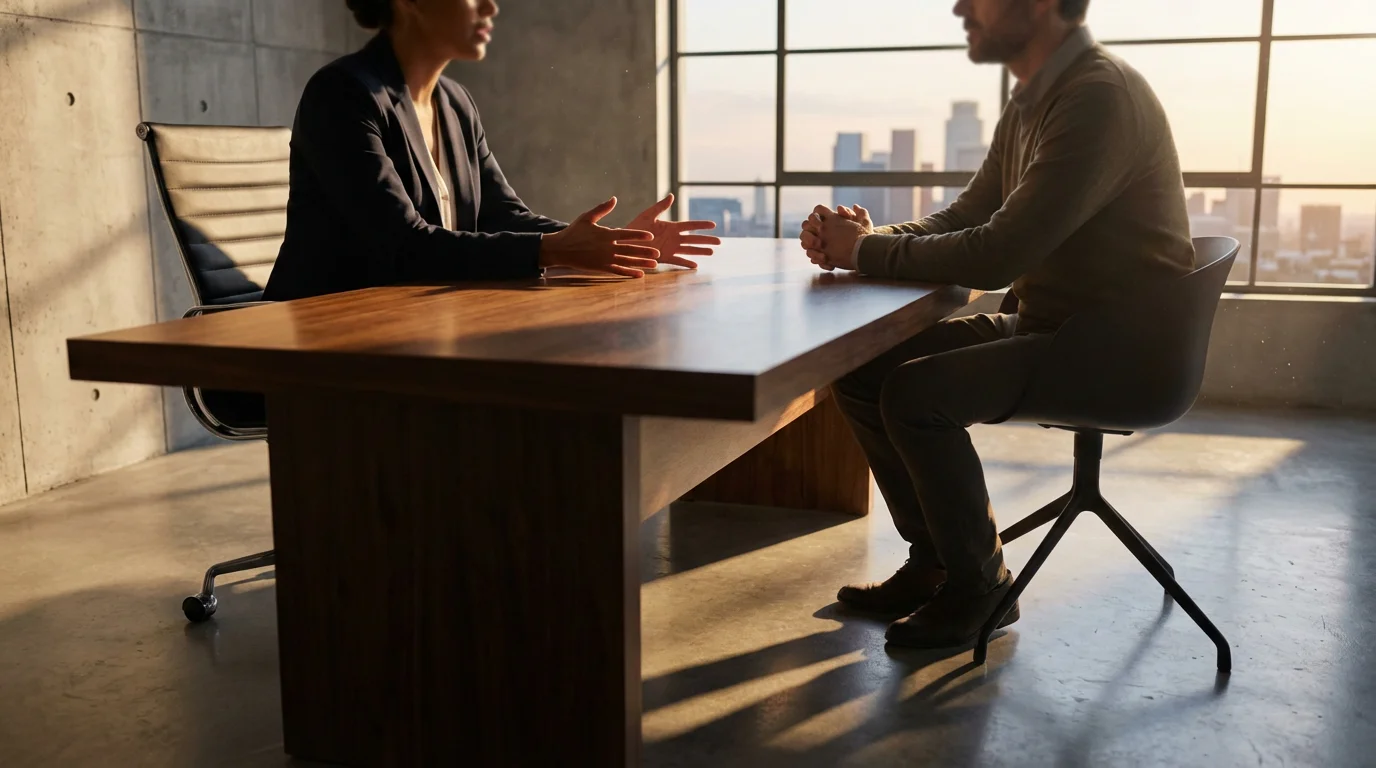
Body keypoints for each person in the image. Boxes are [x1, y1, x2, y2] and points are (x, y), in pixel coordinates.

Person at [799, 0, 1194, 649]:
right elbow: (969, 216)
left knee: (915, 394)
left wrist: (862, 251)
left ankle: (981, 589)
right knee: (868, 368)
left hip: (1113, 349)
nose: (958, 6)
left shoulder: (1098, 96)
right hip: (1055, 327)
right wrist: (868, 239)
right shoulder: (1034, 100)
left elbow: (1000, 252)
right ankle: (935, 562)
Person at [265, 0, 719, 301]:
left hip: (421, 328)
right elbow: (401, 247)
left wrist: (618, 244)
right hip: (328, 344)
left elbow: (505, 216)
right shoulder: (343, 95)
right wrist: (554, 250)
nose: (491, 6)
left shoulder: (456, 102)